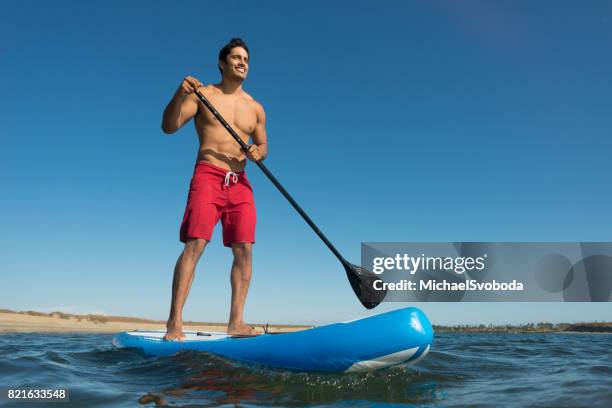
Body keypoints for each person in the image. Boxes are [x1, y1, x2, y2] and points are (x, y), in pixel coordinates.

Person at [161, 38, 268, 340]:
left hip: (241, 183)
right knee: (195, 244)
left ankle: (236, 322)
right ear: (222, 63)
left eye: (246, 58)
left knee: (244, 250)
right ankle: (175, 323)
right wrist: (179, 94)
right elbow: (168, 127)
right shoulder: (203, 95)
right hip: (208, 176)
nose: (242, 62)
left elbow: (263, 145)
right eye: (235, 57)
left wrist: (259, 152)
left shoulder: (256, 108)